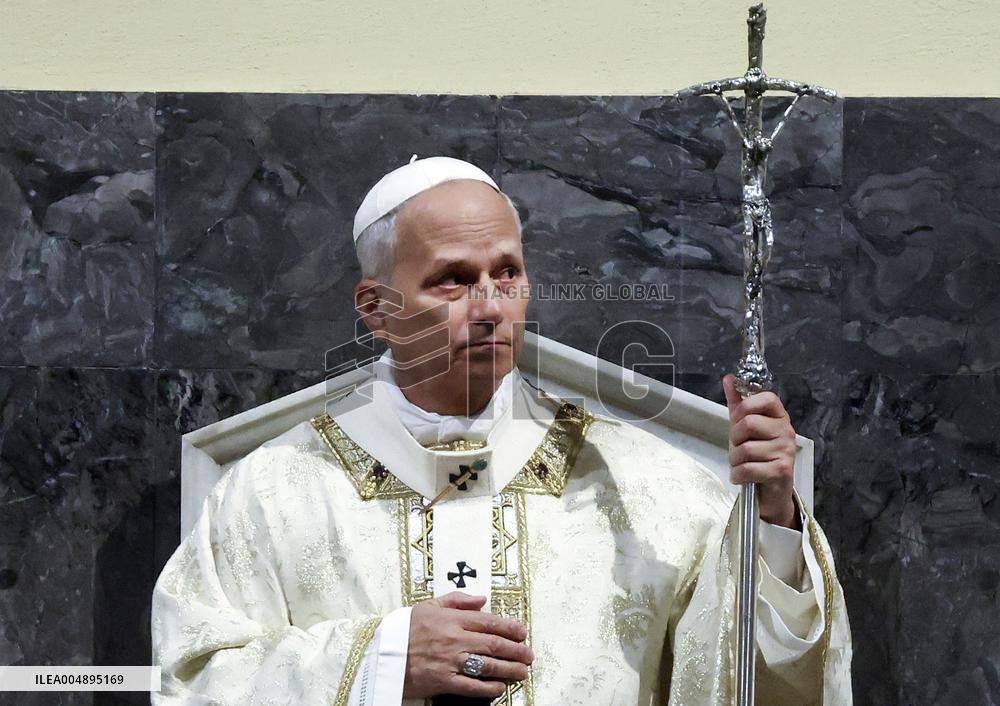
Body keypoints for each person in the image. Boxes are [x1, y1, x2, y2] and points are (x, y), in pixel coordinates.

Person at [151, 155, 852, 705]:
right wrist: (382, 661)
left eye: (507, 273)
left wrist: (772, 521)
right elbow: (190, 680)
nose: (490, 306)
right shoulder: (274, 493)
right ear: (375, 307)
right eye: (453, 280)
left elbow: (761, 681)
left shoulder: (644, 490)